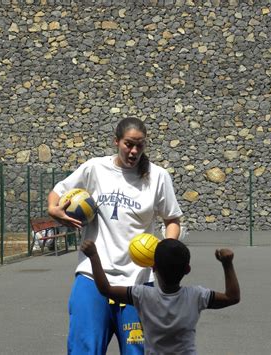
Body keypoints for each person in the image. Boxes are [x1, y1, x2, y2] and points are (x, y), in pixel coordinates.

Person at [48, 117, 183, 354]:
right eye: (128, 144)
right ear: (116, 141)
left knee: (137, 352)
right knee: (84, 349)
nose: (133, 151)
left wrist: (166, 251)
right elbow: (59, 191)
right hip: (92, 277)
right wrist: (53, 209)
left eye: (139, 146)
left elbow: (172, 219)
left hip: (139, 283)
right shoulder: (95, 168)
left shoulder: (158, 176)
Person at [81, 239, 241, 354]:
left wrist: (94, 256)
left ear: (153, 268)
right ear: (187, 269)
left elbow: (106, 289)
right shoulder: (197, 296)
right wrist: (227, 264)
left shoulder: (142, 295)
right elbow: (232, 297)